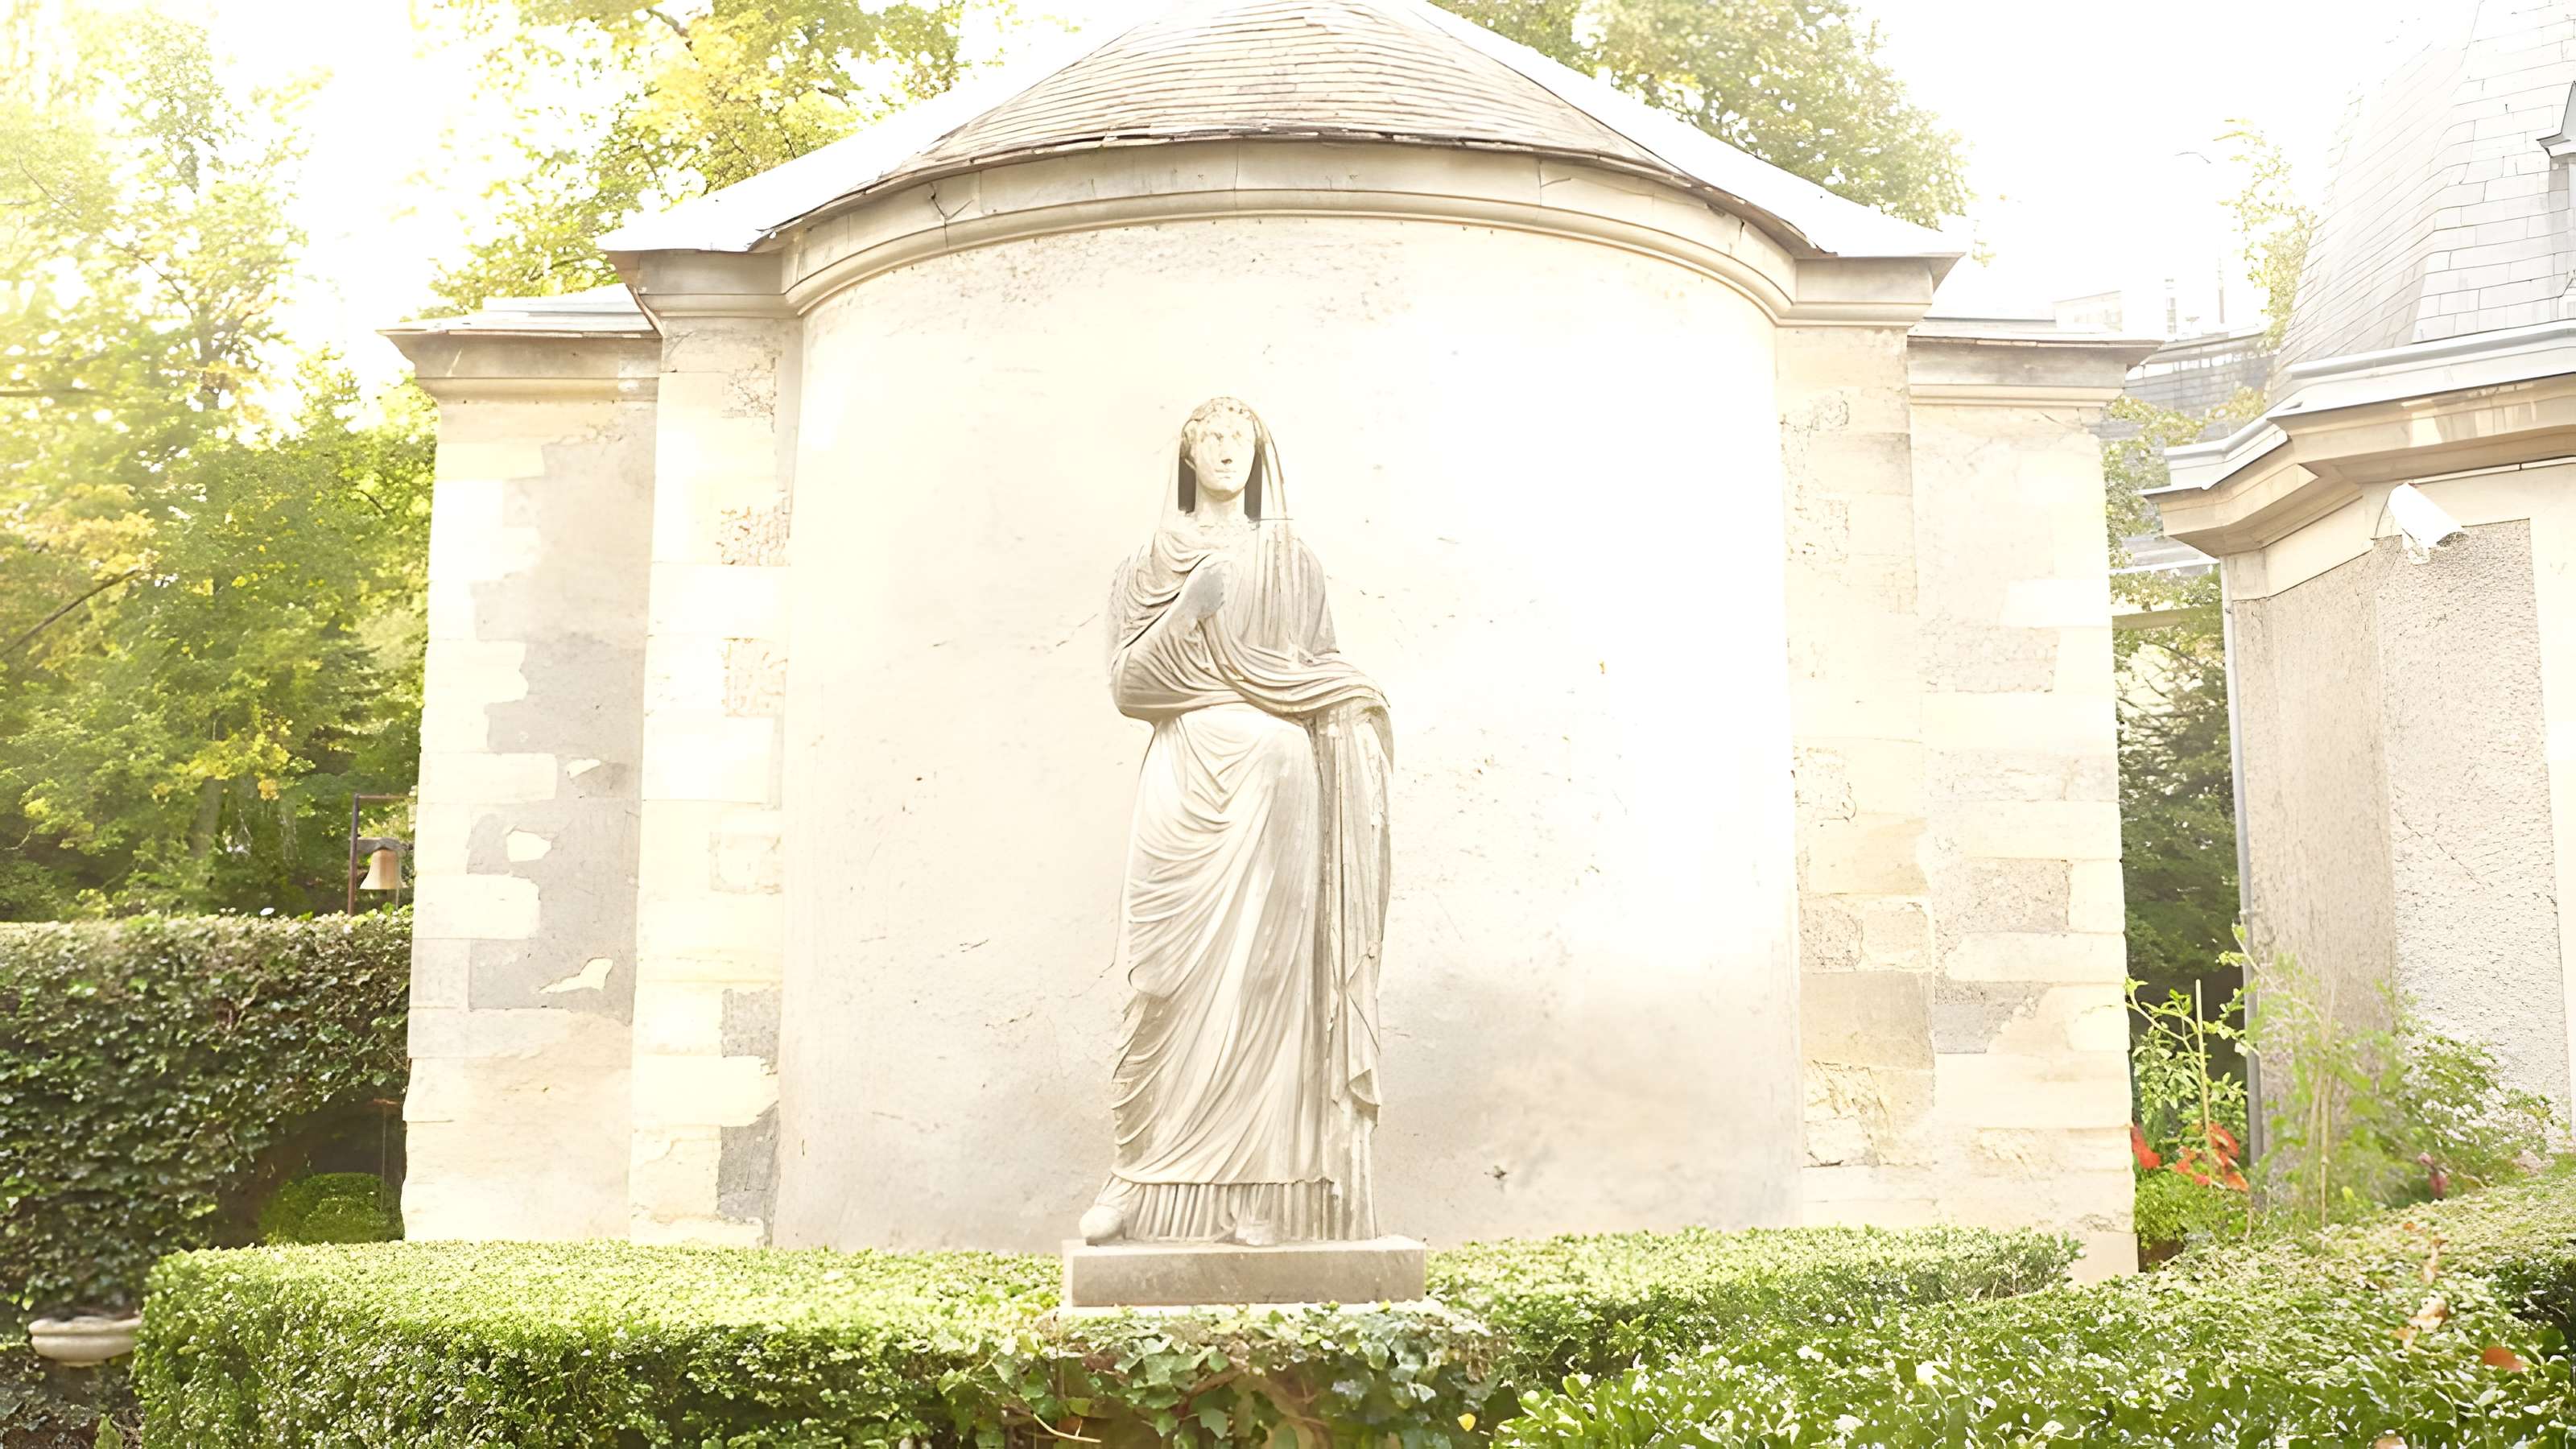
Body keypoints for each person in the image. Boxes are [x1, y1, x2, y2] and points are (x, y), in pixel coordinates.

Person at [1080, 397, 1393, 1247]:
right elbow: (1130, 691)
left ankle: (1265, 1191)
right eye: (1211, 438)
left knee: (1271, 986)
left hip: (1280, 787)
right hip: (1186, 778)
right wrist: (1187, 609)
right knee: (1157, 982)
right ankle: (1134, 1175)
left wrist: (1355, 706)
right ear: (1186, 453)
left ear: (1260, 454)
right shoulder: (1145, 564)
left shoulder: (1293, 564)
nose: (1227, 452)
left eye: (1240, 439)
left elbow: (1322, 670)